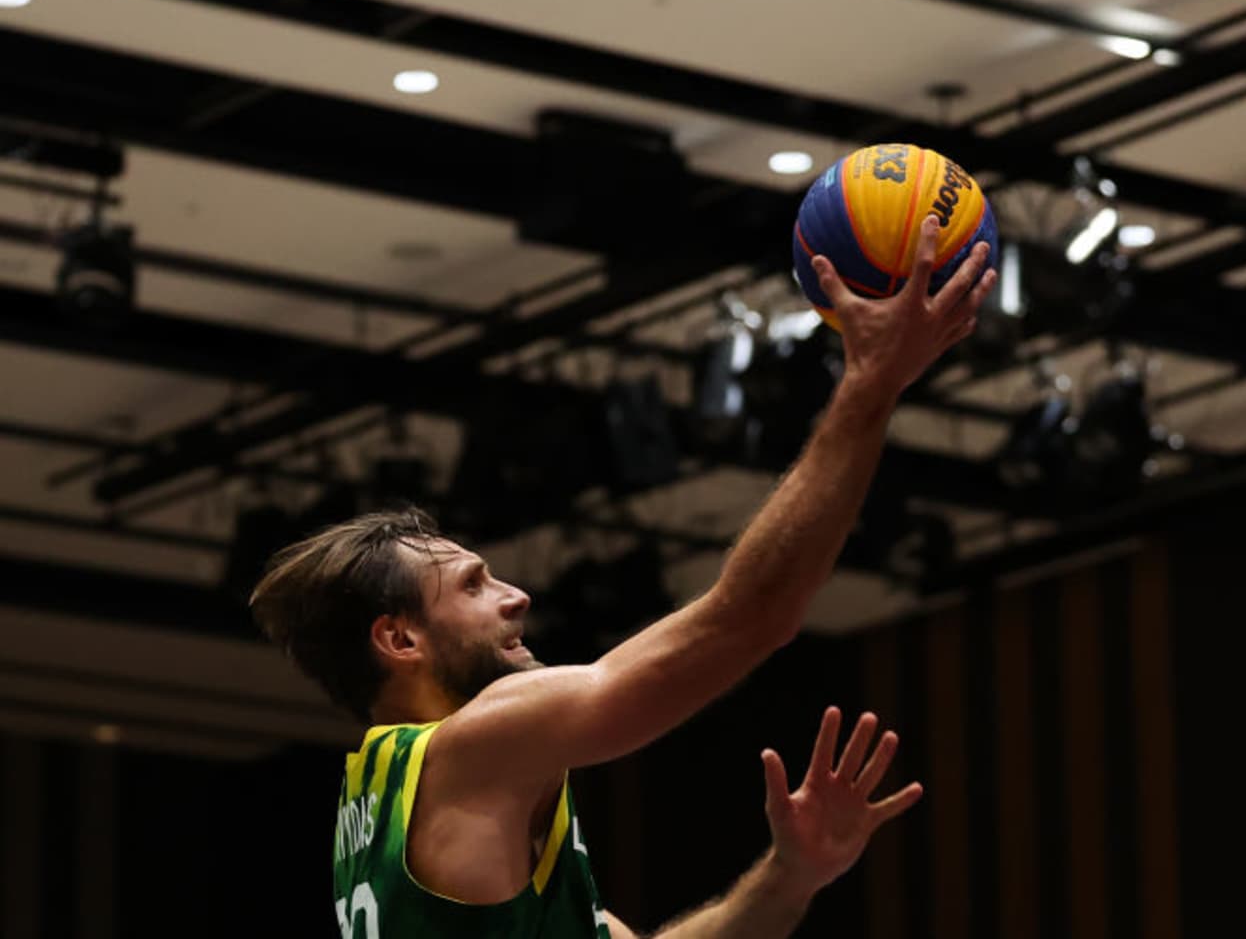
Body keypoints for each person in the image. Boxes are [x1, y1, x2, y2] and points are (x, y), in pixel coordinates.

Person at [250, 220, 996, 937]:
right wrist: (870, 383)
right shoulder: (478, 741)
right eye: (474, 586)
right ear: (399, 638)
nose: (518, 597)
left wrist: (791, 875)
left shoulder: (381, 805)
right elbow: (750, 616)